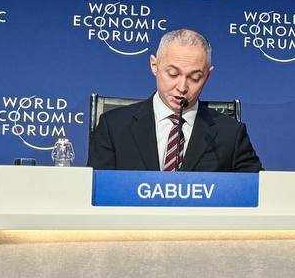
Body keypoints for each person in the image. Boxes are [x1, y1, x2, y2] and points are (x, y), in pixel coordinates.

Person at [88, 28, 263, 172]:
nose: (182, 87)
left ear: (208, 76)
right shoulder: (114, 127)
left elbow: (258, 192)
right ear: (154, 66)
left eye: (195, 77)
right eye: (173, 74)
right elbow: (95, 191)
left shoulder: (231, 134)